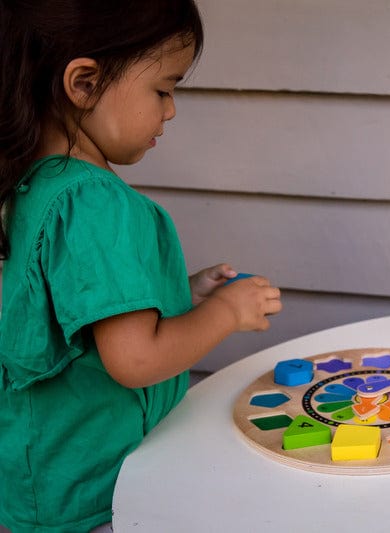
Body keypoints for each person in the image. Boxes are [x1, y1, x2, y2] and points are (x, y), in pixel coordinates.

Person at [0, 1, 283, 530]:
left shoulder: (35, 187)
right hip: (100, 495)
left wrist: (181, 290)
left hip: (43, 484)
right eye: (163, 89)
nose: (171, 110)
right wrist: (224, 313)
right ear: (83, 83)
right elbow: (133, 358)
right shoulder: (93, 202)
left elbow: (77, 312)